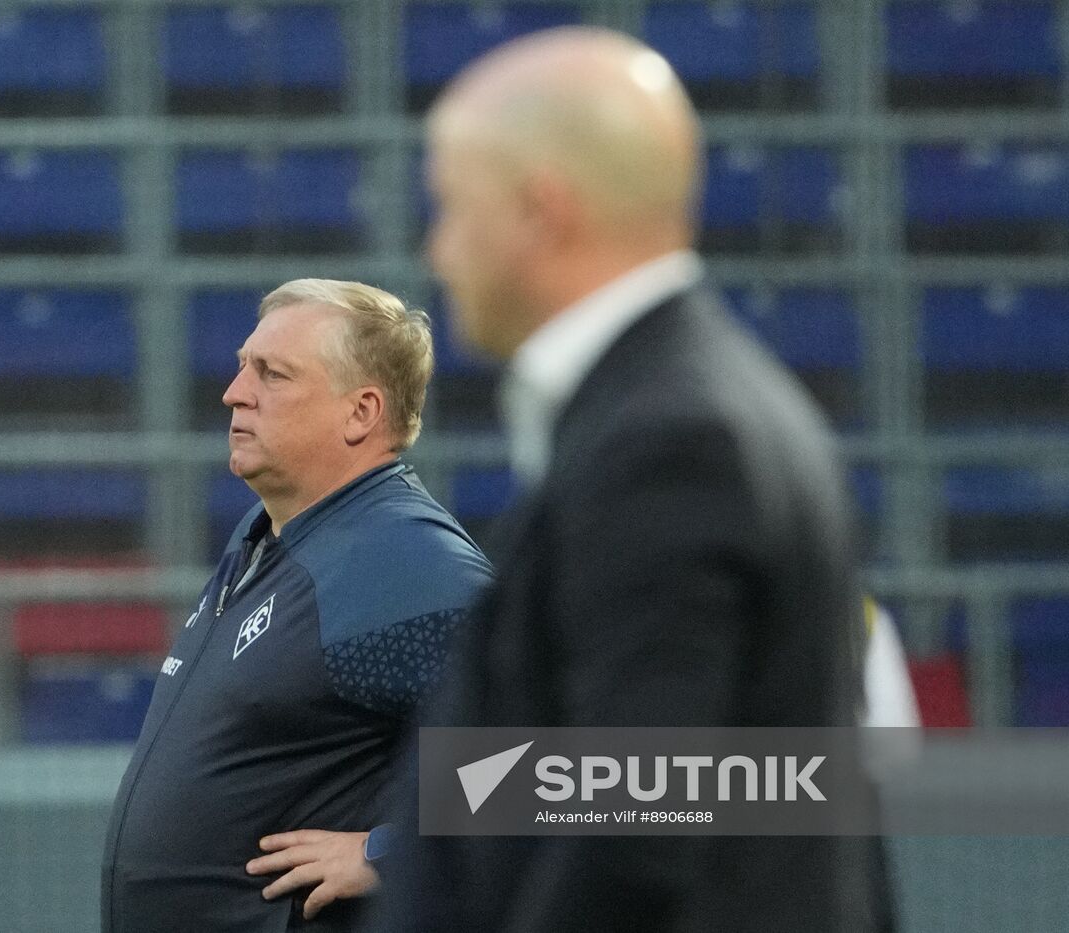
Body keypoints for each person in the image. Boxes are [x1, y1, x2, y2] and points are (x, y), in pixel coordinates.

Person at [373, 28, 894, 933]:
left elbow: (634, 829)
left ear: (543, 211)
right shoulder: (695, 406)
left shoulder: (670, 441)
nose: (438, 249)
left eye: (453, 207)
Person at [101, 279, 493, 932]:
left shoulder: (401, 559)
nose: (234, 392)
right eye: (241, 367)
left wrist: (386, 852)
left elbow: (585, 769)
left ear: (361, 412)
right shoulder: (268, 532)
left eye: (272, 374)